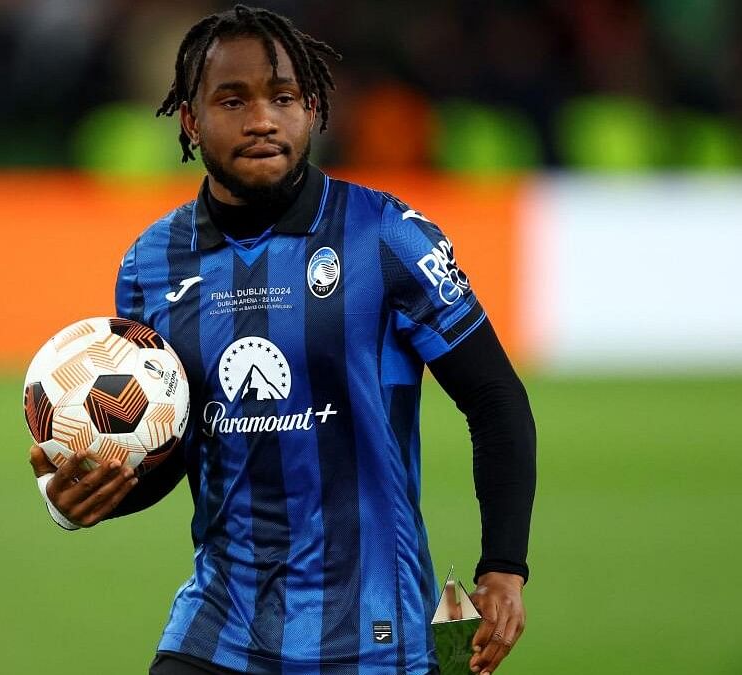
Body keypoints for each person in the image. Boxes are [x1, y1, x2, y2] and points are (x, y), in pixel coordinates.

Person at [27, 6, 536, 674]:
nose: (263, 119)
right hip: (218, 631)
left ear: (314, 108)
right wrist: (90, 493)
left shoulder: (387, 236)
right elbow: (170, 444)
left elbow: (494, 397)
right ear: (189, 120)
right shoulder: (152, 263)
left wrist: (503, 566)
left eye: (284, 98)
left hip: (372, 639)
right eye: (232, 100)